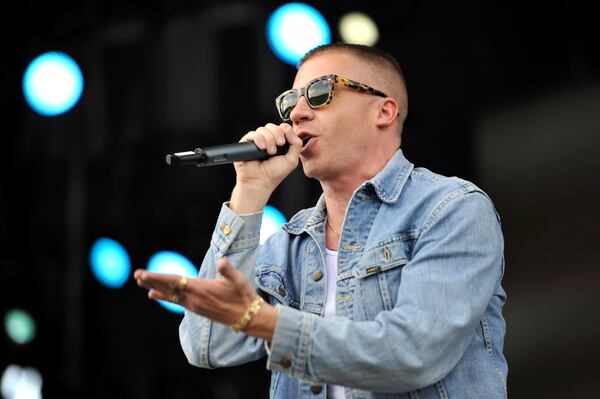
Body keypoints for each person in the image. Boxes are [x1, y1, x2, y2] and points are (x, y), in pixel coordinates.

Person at [135, 43, 508, 398]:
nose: (297, 114)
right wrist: (249, 192)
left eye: (320, 93)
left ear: (384, 111)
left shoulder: (450, 209)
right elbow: (207, 344)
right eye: (289, 103)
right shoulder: (289, 243)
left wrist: (262, 321)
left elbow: (412, 353)